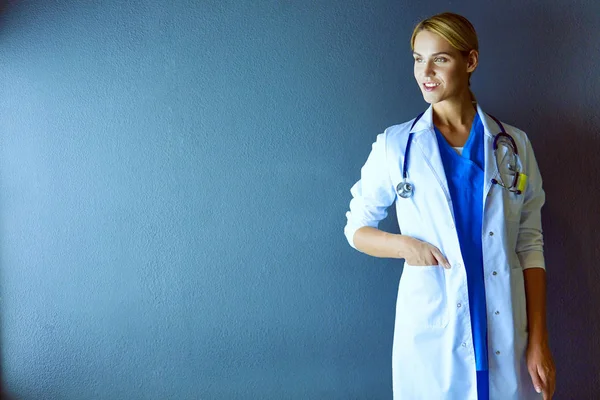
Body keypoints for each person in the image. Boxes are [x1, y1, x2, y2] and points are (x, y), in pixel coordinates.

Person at [343, 12, 556, 400]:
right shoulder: (396, 145)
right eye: (417, 58)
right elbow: (356, 229)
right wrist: (406, 246)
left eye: (439, 59)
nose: (425, 71)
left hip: (504, 327)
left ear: (470, 61)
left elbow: (530, 245)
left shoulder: (515, 146)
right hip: (432, 333)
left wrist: (539, 339)